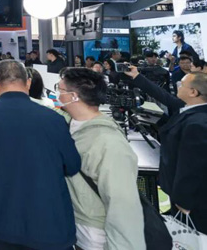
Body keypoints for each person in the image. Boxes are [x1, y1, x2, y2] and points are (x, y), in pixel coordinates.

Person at [0, 60, 81, 250]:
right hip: (49, 222)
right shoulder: (54, 119)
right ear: (27, 82)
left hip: (1, 223)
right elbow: (73, 165)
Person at [59, 68, 145, 249]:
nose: (57, 95)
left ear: (73, 96)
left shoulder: (109, 144)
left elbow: (123, 204)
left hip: (95, 236)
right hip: (76, 226)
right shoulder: (71, 124)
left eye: (60, 90)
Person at [125, 67, 207, 233]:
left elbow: (192, 168)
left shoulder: (198, 123)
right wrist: (137, 76)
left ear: (193, 92)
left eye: (182, 84)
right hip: (180, 193)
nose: (177, 86)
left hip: (192, 202)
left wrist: (183, 201)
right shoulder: (189, 109)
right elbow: (163, 96)